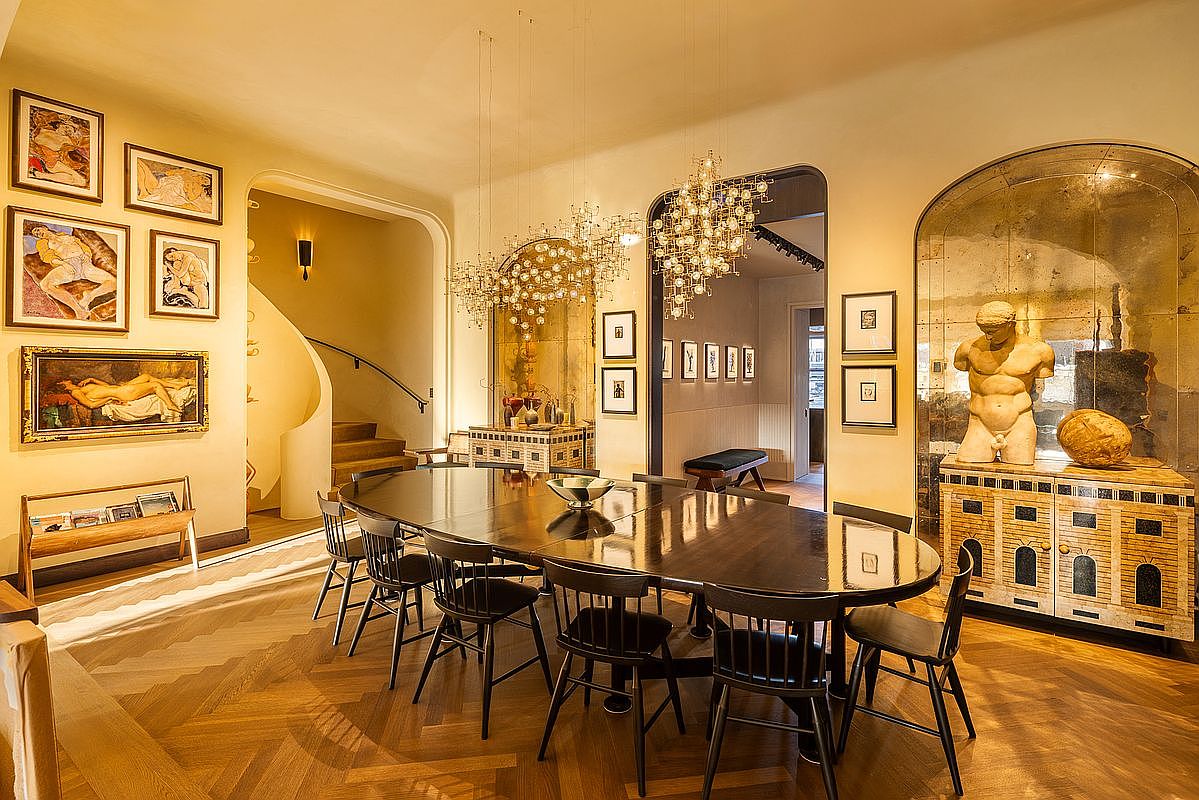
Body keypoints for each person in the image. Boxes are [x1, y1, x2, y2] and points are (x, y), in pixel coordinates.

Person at [953, 300, 1055, 465]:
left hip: (1019, 424)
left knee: (1021, 474)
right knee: (967, 468)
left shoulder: (1040, 352)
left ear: (1010, 324)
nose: (988, 336)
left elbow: (1043, 375)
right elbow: (960, 365)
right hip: (980, 425)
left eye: (992, 331)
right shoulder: (968, 349)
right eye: (984, 331)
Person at [31, 225, 116, 320]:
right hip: (68, 265)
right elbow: (47, 257)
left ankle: (89, 297)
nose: (38, 233)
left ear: (44, 228)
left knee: (113, 281)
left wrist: (87, 255)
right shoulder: (42, 243)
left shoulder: (64, 235)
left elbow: (83, 246)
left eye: (37, 230)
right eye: (36, 234)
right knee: (45, 285)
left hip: (84, 264)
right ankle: (79, 311)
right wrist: (64, 264)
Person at [61, 374, 190, 413]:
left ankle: (175, 386)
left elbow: (107, 387)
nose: (66, 379)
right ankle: (169, 404)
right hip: (124, 393)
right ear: (63, 386)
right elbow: (91, 405)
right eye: (63, 381)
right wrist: (109, 398)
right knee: (155, 385)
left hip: (121, 388)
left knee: (146, 376)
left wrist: (92, 379)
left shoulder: (80, 387)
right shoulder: (76, 392)